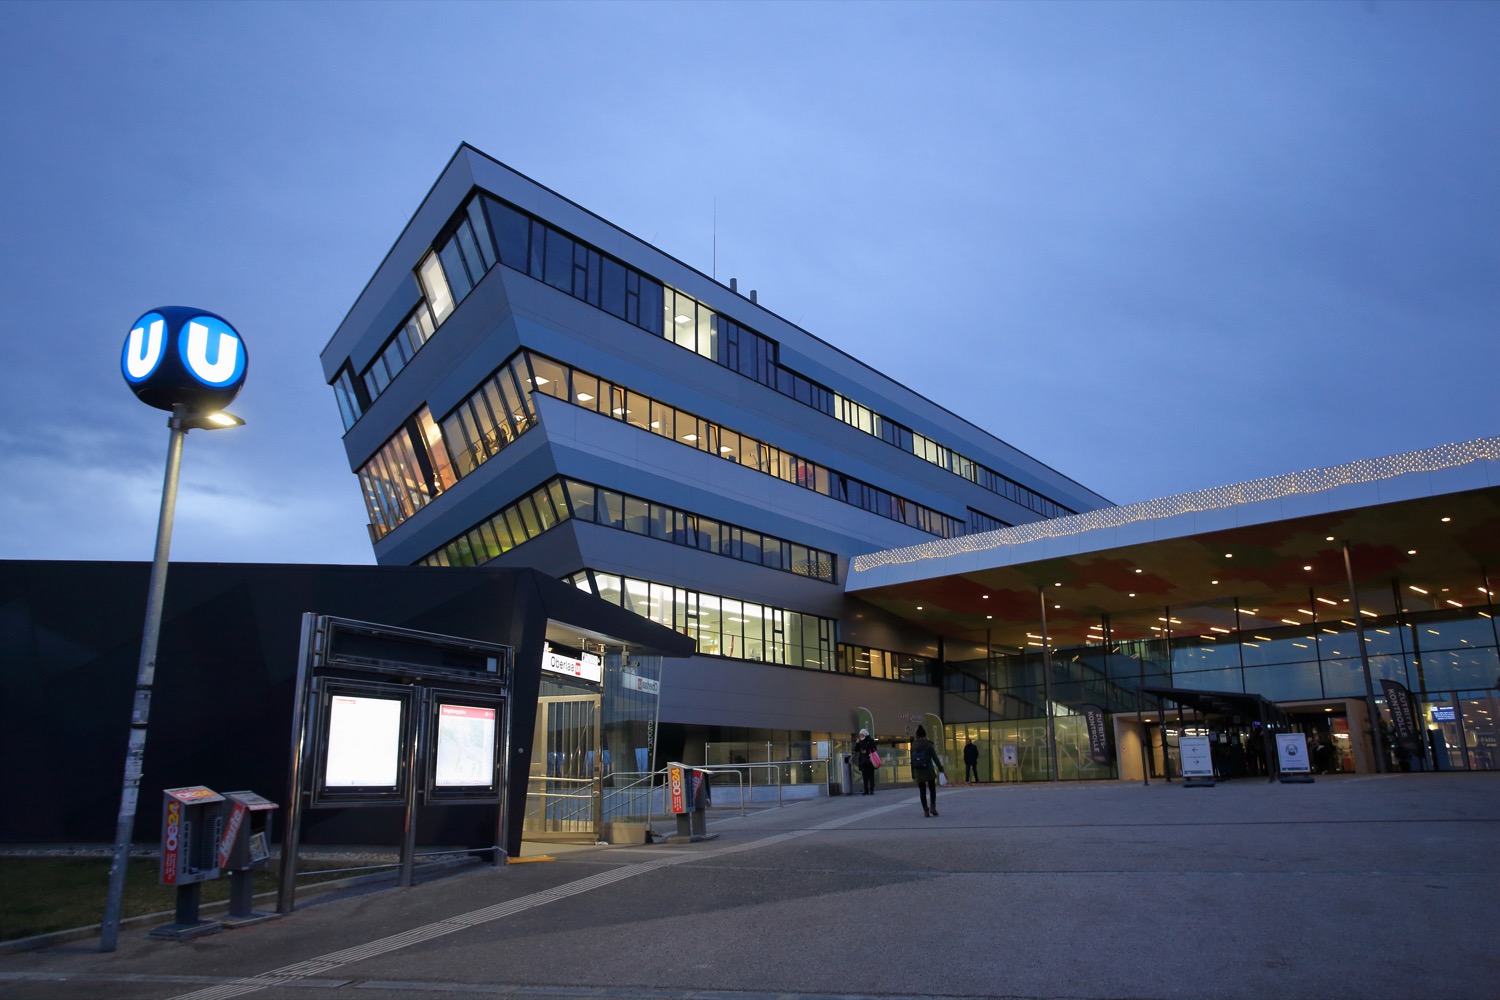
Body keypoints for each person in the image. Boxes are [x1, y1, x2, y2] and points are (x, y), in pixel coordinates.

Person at [910, 725, 944, 817]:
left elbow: (912, 760)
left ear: (917, 735)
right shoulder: (928, 744)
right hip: (928, 770)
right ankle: (933, 807)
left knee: (922, 791)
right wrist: (940, 767)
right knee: (932, 789)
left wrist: (913, 773)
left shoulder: (913, 745)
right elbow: (935, 757)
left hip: (918, 770)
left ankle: (925, 810)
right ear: (924, 735)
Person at [854, 728, 878, 794]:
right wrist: (857, 743)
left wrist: (867, 751)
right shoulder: (860, 741)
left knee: (871, 776)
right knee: (865, 777)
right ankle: (866, 790)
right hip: (863, 761)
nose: (861, 736)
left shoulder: (870, 740)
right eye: (860, 735)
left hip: (870, 761)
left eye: (862, 734)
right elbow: (856, 750)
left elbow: (874, 749)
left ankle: (871, 789)